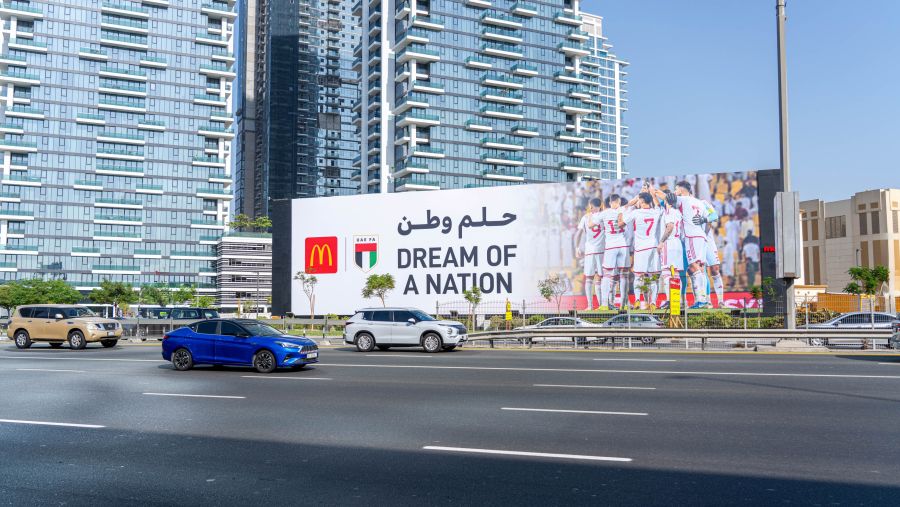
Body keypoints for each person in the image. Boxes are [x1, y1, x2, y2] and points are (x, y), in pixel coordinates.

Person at [619, 191, 662, 309]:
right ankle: (653, 303)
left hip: (641, 248)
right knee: (653, 277)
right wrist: (653, 194)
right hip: (653, 246)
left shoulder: (635, 213)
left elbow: (621, 223)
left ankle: (637, 300)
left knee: (638, 276)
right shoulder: (656, 212)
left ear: (642, 202)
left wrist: (627, 205)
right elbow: (659, 206)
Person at [674, 180, 711, 308]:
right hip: (701, 236)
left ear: (681, 190)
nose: (675, 191)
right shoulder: (700, 202)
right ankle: (703, 300)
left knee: (694, 267)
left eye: (676, 189)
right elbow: (711, 218)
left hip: (691, 236)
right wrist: (704, 229)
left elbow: (668, 198)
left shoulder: (683, 200)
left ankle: (701, 300)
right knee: (697, 268)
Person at [591, 194, 628, 310]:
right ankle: (624, 305)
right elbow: (630, 204)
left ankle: (604, 304)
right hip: (623, 245)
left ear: (610, 202)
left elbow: (591, 224)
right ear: (619, 201)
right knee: (624, 275)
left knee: (606, 275)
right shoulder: (624, 210)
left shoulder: (605, 213)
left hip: (611, 246)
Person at [653, 189, 684, 309]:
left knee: (666, 273)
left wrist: (661, 242)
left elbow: (670, 226)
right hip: (677, 244)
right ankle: (677, 300)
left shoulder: (669, 212)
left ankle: (669, 300)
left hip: (669, 243)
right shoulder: (677, 212)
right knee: (675, 273)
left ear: (666, 201)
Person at [574, 198, 604, 310]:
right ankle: (602, 305)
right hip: (602, 251)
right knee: (600, 278)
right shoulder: (603, 216)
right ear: (600, 205)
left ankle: (590, 306)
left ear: (590, 205)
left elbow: (578, 234)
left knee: (589, 279)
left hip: (590, 251)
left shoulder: (585, 217)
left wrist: (577, 248)